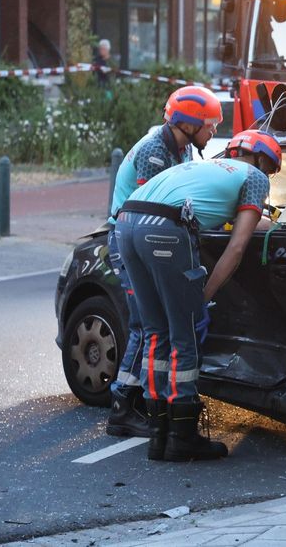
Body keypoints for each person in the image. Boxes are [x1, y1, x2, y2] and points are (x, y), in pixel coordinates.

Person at [117, 130, 281, 462]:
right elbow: (236, 248)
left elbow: (225, 214)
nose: (269, 177)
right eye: (272, 170)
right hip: (164, 229)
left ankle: (158, 434)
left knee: (155, 333)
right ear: (263, 161)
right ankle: (183, 436)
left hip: (126, 223)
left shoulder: (208, 169)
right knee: (185, 335)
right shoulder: (255, 178)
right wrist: (202, 298)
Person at [105, 85, 222, 438]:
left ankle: (137, 399)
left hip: (146, 239)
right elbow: (152, 205)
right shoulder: (156, 151)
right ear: (187, 123)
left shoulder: (182, 148)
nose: (214, 131)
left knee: (152, 325)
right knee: (145, 325)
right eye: (210, 124)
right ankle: (123, 405)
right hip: (132, 241)